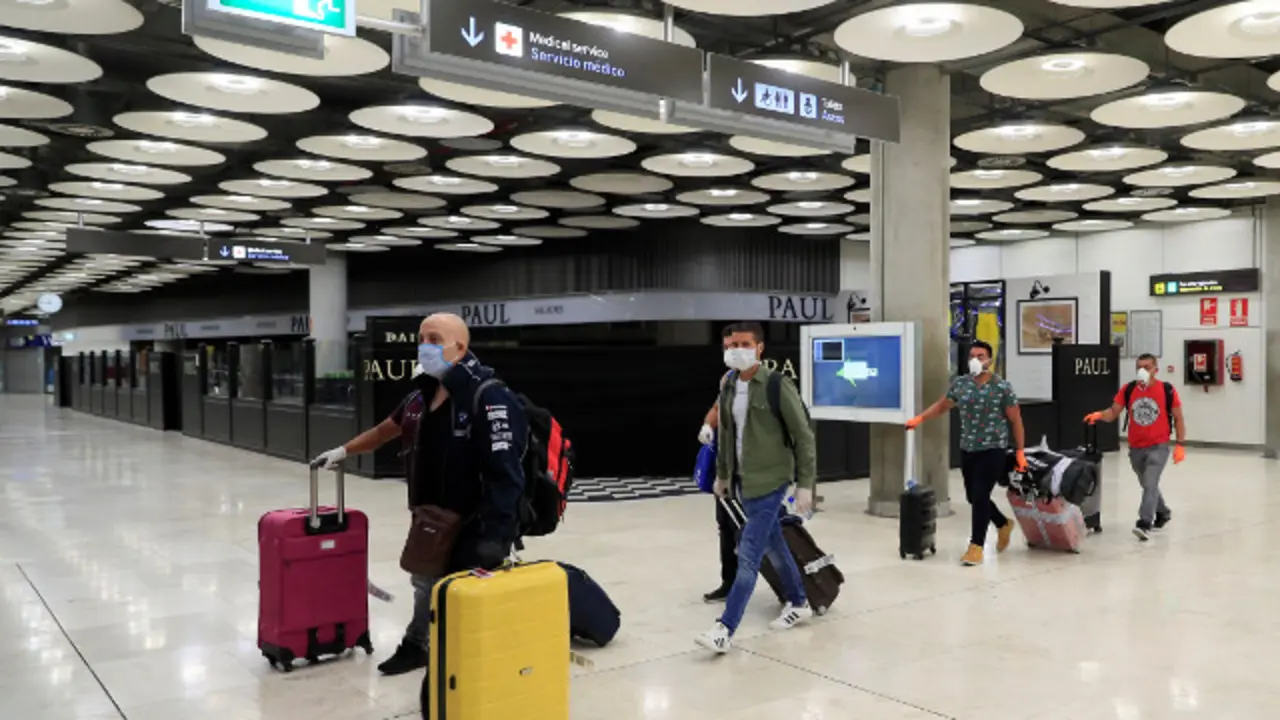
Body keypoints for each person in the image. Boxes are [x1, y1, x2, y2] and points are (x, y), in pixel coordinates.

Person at [311, 313, 527, 675]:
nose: (424, 346)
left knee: (455, 591)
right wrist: (344, 451)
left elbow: (507, 475)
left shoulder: (488, 397)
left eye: (434, 339)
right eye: (421, 339)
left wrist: (497, 536)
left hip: (474, 522)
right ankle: (423, 647)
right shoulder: (421, 395)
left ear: (460, 347)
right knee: (425, 582)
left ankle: (454, 657)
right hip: (430, 518)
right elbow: (385, 430)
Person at [695, 322, 815, 654]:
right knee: (774, 544)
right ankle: (799, 601)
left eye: (745, 344)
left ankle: (725, 629)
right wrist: (722, 476)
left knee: (748, 556)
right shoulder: (728, 386)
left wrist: (805, 485)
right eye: (731, 345)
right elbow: (727, 435)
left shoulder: (777, 385)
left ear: (759, 348)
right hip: (742, 481)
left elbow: (803, 436)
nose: (737, 350)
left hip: (771, 480)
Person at [906, 340, 1026, 566]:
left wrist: (1020, 452)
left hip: (993, 449)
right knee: (973, 497)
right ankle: (1002, 523)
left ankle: (976, 546)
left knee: (980, 494)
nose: (975, 360)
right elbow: (942, 406)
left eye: (980, 356)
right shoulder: (961, 384)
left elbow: (1016, 420)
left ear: (990, 360)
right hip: (968, 448)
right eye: (972, 356)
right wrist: (920, 418)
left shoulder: (1002, 387)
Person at [1084, 353, 1186, 541]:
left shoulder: (1167, 390)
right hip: (1136, 448)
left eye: (1147, 367)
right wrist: (1099, 415)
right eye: (1139, 367)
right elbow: (1113, 412)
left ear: (1156, 369)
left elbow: (1178, 418)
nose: (1142, 371)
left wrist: (1180, 445)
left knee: (1150, 483)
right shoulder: (1129, 389)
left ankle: (1144, 523)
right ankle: (1163, 512)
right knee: (1148, 484)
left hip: (1158, 446)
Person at [698, 393, 738, 603]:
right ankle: (729, 583)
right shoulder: (729, 380)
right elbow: (717, 408)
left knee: (758, 532)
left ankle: (792, 588)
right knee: (726, 526)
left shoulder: (767, 383)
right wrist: (707, 425)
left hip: (754, 469)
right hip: (726, 466)